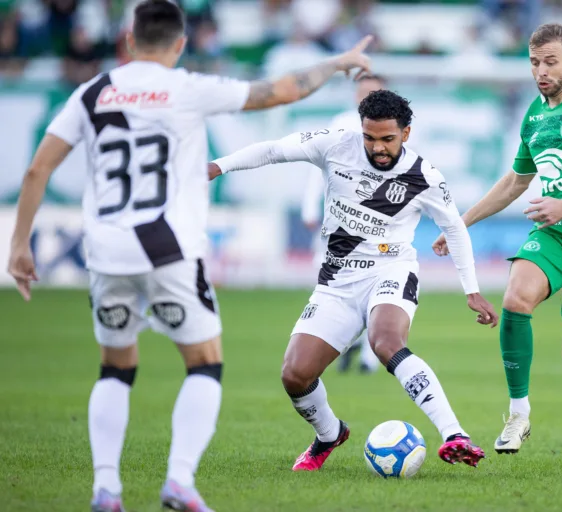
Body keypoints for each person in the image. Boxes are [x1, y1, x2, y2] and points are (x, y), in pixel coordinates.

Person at [5, 0, 373, 510]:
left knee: (115, 368)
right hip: (168, 248)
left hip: (106, 250)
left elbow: (36, 170)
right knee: (204, 362)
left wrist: (19, 244)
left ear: (128, 41)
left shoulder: (91, 92)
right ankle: (178, 481)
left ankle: (106, 489)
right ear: (179, 44)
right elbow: (281, 90)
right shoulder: (188, 87)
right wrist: (336, 62)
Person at [209, 89, 498, 472]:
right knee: (295, 375)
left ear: (406, 133)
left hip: (391, 271)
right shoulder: (335, 145)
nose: (377, 148)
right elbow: (274, 150)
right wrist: (218, 166)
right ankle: (330, 434)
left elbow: (455, 229)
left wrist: (472, 290)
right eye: (369, 137)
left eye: (387, 139)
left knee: (386, 342)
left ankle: (454, 434)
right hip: (337, 281)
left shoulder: (424, 176)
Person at [433, 23, 562, 465]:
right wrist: (460, 224)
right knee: (516, 298)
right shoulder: (534, 116)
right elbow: (516, 181)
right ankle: (518, 413)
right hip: (555, 233)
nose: (541, 71)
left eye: (551, 62)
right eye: (534, 63)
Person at [301, 74, 388, 375]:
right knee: (331, 284)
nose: (366, 97)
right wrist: (310, 206)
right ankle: (350, 340)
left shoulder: (394, 128)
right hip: (337, 220)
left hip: (376, 220)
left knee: (375, 284)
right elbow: (319, 166)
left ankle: (368, 356)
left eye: (373, 92)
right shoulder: (341, 123)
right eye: (363, 91)